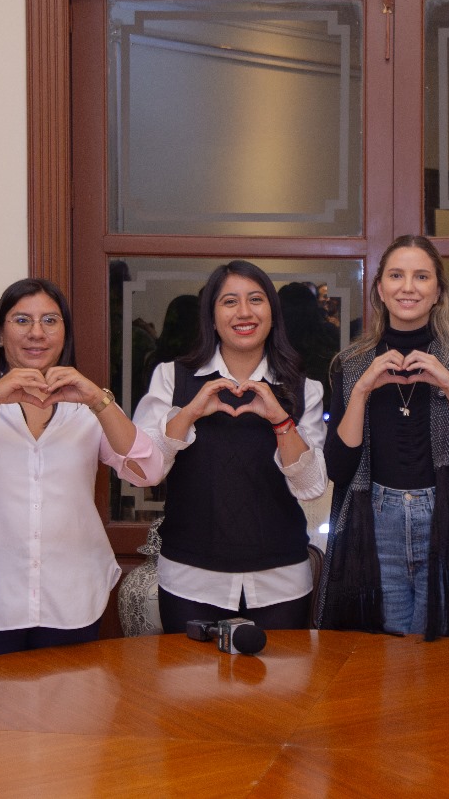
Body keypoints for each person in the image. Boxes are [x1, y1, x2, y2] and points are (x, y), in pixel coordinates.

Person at [0, 279, 164, 660]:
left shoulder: (90, 404)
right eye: (22, 320)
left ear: (64, 333)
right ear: (1, 334)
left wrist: (97, 400)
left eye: (50, 320)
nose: (37, 332)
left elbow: (148, 472)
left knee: (70, 700)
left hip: (72, 599)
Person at [316, 235, 449, 642]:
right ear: (379, 289)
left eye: (421, 276)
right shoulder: (351, 363)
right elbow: (339, 468)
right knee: (384, 655)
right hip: (376, 520)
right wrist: (362, 390)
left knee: (442, 653)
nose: (408, 287)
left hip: (448, 517)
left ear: (438, 291)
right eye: (396, 276)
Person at [132, 260, 327, 631]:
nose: (244, 312)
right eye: (229, 302)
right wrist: (189, 412)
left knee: (283, 673)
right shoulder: (172, 378)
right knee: (187, 673)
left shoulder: (304, 389)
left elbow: (311, 487)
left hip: (280, 579)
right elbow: (144, 469)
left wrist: (280, 420)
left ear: (273, 312)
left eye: (256, 299)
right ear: (212, 315)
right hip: (190, 577)